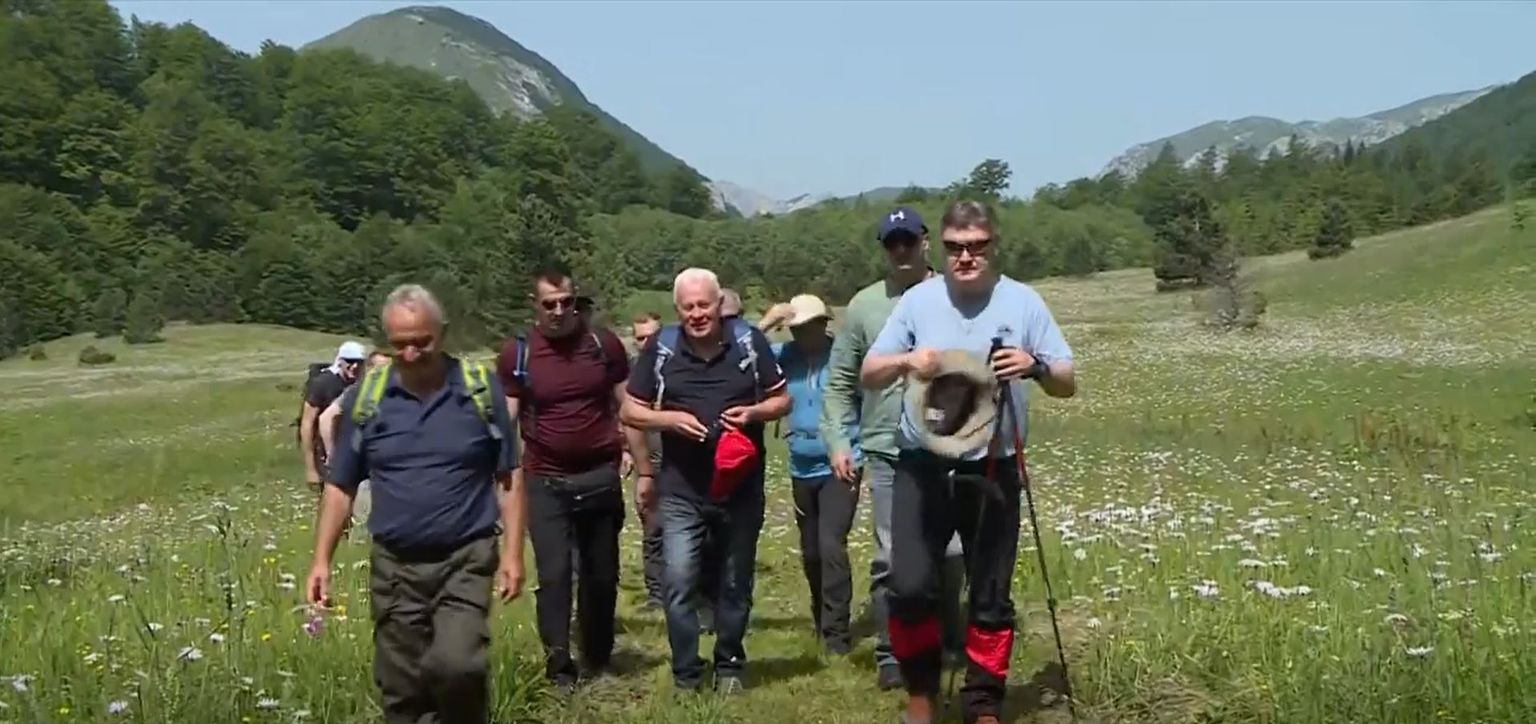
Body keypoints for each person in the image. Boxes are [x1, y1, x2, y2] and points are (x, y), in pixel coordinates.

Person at [860, 201, 1076, 724]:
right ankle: (921, 692)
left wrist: (1034, 365)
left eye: (977, 246)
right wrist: (906, 360)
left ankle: (983, 703)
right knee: (910, 585)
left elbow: (1067, 381)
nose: (965, 257)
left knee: (990, 592)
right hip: (922, 463)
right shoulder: (918, 302)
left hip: (993, 466)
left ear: (993, 245)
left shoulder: (1023, 302)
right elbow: (870, 372)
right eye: (956, 246)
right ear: (941, 246)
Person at [305, 284, 526, 724]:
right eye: (399, 344)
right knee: (403, 686)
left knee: (457, 665)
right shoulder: (369, 398)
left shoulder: (479, 390)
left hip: (465, 557)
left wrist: (514, 554)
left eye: (421, 342)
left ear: (442, 334)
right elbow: (341, 485)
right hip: (396, 566)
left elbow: (509, 476)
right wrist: (321, 561)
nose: (410, 354)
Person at [620, 267, 790, 695]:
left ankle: (729, 664)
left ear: (719, 305)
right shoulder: (662, 348)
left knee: (735, 581)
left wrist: (754, 413)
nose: (697, 314)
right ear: (677, 310)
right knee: (679, 581)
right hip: (682, 488)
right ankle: (686, 673)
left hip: (740, 486)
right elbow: (630, 410)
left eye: (704, 305)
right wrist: (669, 420)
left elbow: (782, 399)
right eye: (688, 307)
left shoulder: (749, 342)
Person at [820, 205, 968, 691]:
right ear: (884, 249)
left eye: (908, 240)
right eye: (892, 243)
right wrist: (839, 440)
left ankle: (947, 637)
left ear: (926, 241)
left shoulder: (957, 296)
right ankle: (891, 653)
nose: (901, 250)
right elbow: (840, 381)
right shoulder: (864, 306)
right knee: (891, 556)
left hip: (950, 445)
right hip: (887, 449)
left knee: (951, 553)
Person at [496, 270, 647, 690]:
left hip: (600, 476)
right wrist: (493, 472)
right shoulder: (518, 354)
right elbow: (505, 420)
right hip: (545, 480)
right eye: (550, 304)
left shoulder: (603, 345)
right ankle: (559, 666)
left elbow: (629, 408)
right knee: (555, 576)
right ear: (535, 304)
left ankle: (598, 657)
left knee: (601, 575)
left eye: (566, 301)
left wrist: (645, 469)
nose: (559, 310)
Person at [760, 294, 862, 655]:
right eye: (795, 328)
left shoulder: (844, 356)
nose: (802, 334)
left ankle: (836, 634)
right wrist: (767, 322)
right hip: (800, 463)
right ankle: (821, 618)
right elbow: (742, 355)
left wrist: (853, 445)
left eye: (808, 327)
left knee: (831, 544)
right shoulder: (783, 357)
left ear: (823, 323)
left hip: (842, 461)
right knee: (811, 550)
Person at [317, 349, 392, 536]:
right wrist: (333, 453)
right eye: (379, 369)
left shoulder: (395, 392)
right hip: (364, 466)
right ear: (369, 369)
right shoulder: (357, 392)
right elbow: (326, 418)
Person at [628, 311, 667, 609]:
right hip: (646, 459)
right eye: (641, 338)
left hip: (678, 456)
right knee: (651, 526)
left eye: (652, 336)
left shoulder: (675, 366)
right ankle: (656, 593)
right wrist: (625, 451)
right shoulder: (630, 373)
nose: (646, 343)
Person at [299, 341, 367, 491]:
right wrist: (310, 469)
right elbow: (307, 424)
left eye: (359, 362)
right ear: (340, 361)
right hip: (324, 452)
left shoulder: (360, 383)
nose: (355, 366)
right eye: (350, 361)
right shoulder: (322, 384)